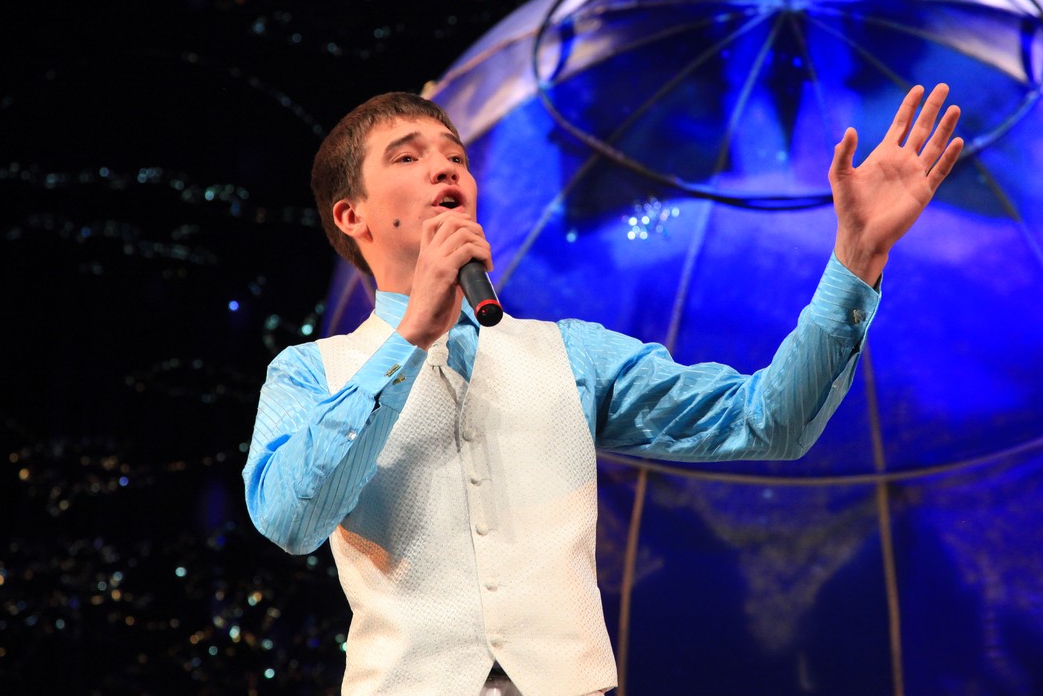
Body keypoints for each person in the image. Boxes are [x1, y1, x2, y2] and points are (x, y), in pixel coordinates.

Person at [243, 85, 963, 696]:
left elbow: (768, 421)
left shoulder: (570, 353)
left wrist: (856, 260)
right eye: (408, 157)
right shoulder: (311, 372)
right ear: (352, 216)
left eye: (455, 157)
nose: (444, 168)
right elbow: (289, 519)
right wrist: (408, 341)